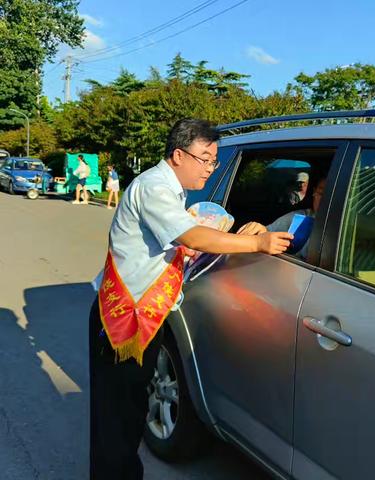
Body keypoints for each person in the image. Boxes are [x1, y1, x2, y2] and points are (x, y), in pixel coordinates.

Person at [89, 118, 293, 480]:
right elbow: (193, 237)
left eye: (214, 161)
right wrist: (257, 244)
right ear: (179, 155)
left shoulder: (173, 190)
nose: (211, 169)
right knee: (116, 419)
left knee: (128, 412)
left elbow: (190, 236)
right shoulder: (154, 187)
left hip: (141, 315)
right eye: (206, 159)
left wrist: (249, 229)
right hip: (123, 318)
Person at [238, 177, 326, 259]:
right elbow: (266, 236)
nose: (325, 199)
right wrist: (260, 230)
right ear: (314, 192)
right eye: (321, 193)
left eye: (330, 195)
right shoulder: (299, 218)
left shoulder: (338, 227)